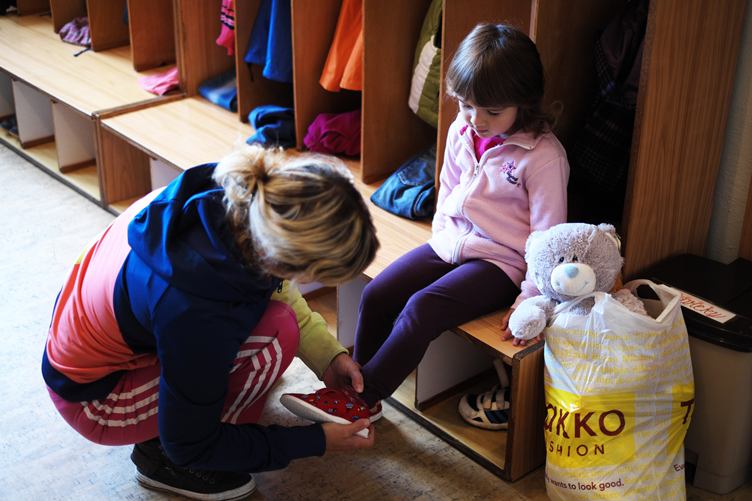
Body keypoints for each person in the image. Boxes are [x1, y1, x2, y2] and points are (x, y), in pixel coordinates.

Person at [42, 145, 379, 501]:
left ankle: (193, 410)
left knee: (272, 324)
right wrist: (315, 441)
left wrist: (328, 357)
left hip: (93, 338)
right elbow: (190, 442)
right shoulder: (196, 311)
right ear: (287, 260)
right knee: (273, 338)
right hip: (94, 400)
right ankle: (160, 460)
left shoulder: (240, 194)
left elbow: (278, 289)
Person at [281, 23, 569, 432]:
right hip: (452, 244)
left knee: (422, 308)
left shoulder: (543, 156)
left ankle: (360, 401)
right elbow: (447, 190)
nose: (476, 120)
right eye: (467, 105)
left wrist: (530, 297)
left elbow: (548, 238)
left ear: (523, 101)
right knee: (378, 293)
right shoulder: (460, 130)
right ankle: (358, 386)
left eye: (492, 111)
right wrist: (442, 240)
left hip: (502, 263)